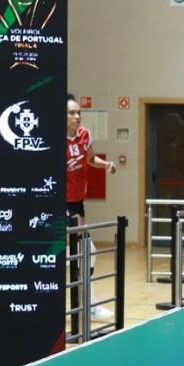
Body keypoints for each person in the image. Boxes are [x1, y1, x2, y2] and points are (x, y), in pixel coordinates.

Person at [66, 94, 116, 322]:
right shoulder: (52, 139)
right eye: (72, 113)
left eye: (79, 112)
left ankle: (84, 303)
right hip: (60, 203)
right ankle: (88, 304)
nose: (77, 116)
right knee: (86, 251)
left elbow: (91, 158)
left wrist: (105, 165)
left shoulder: (84, 135)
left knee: (82, 253)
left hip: (78, 201)